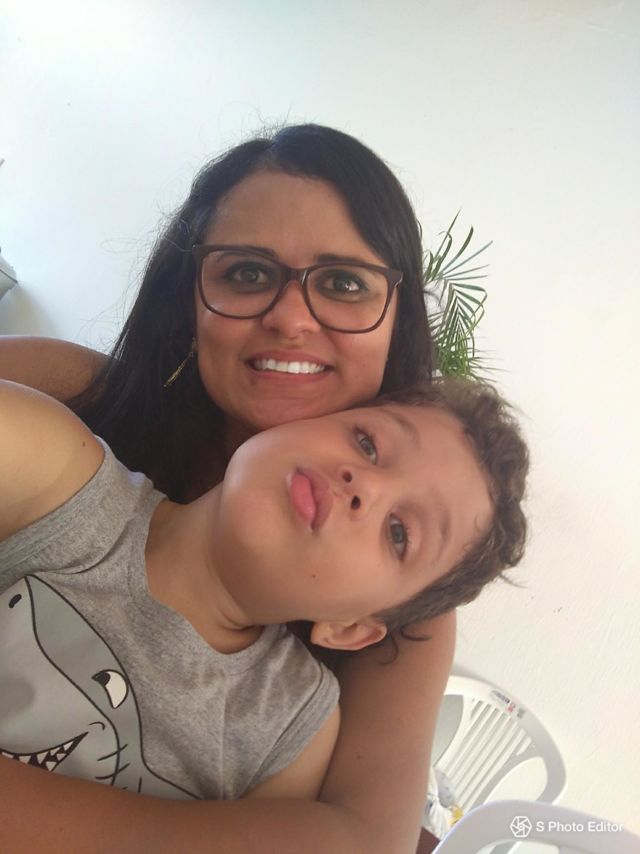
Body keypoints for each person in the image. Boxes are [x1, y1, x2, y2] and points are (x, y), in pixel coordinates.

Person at [0, 124, 511, 853]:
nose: (291, 318)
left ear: (395, 319)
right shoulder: (64, 423)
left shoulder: (353, 663)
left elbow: (362, 842)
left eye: (342, 282)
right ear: (190, 299)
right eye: (246, 272)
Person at [0, 375, 527, 804]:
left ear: (349, 629)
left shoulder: (290, 734)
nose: (365, 483)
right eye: (367, 443)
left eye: (398, 533)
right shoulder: (56, 477)